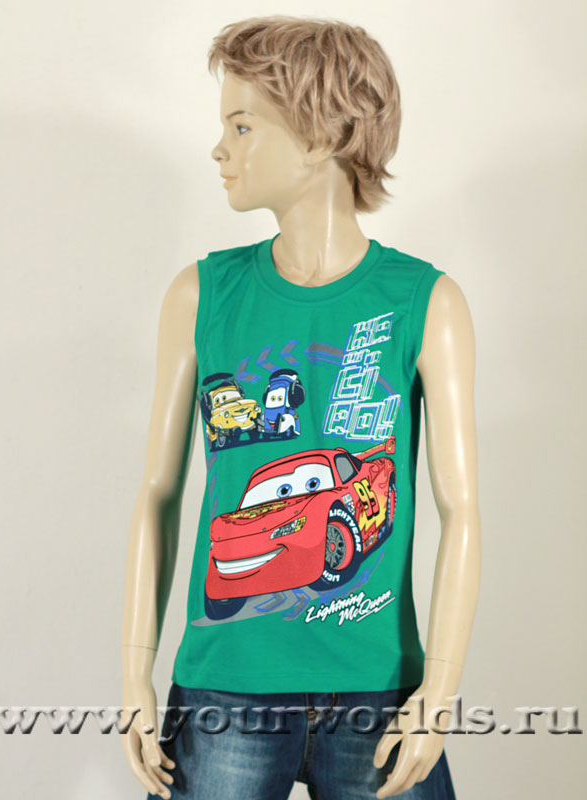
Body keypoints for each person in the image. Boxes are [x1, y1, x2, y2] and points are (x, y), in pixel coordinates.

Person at [121, 15, 480, 800]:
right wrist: (133, 675)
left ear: (321, 136)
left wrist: (440, 690)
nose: (220, 149)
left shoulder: (425, 302)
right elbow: (157, 494)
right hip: (224, 689)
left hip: (380, 691)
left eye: (242, 125)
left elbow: (462, 509)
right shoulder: (200, 295)